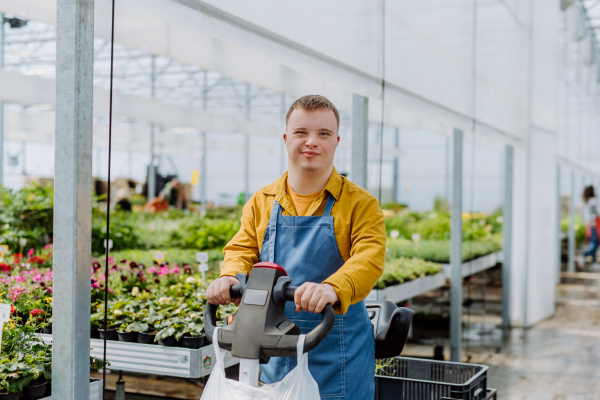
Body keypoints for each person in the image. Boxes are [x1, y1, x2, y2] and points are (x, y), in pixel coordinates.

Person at [206, 95, 386, 399]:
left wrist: (331, 288)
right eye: (301, 132)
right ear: (286, 138)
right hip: (277, 346)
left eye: (323, 134)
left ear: (337, 141)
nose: (311, 142)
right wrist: (230, 277)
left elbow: (369, 258)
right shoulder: (262, 202)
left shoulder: (360, 204)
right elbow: (241, 248)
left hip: (339, 351)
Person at [583, 185, 599, 266]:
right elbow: (597, 213)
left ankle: (594, 262)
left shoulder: (587, 201)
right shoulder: (593, 201)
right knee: (595, 243)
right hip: (595, 225)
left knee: (593, 242)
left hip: (589, 224)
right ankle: (583, 255)